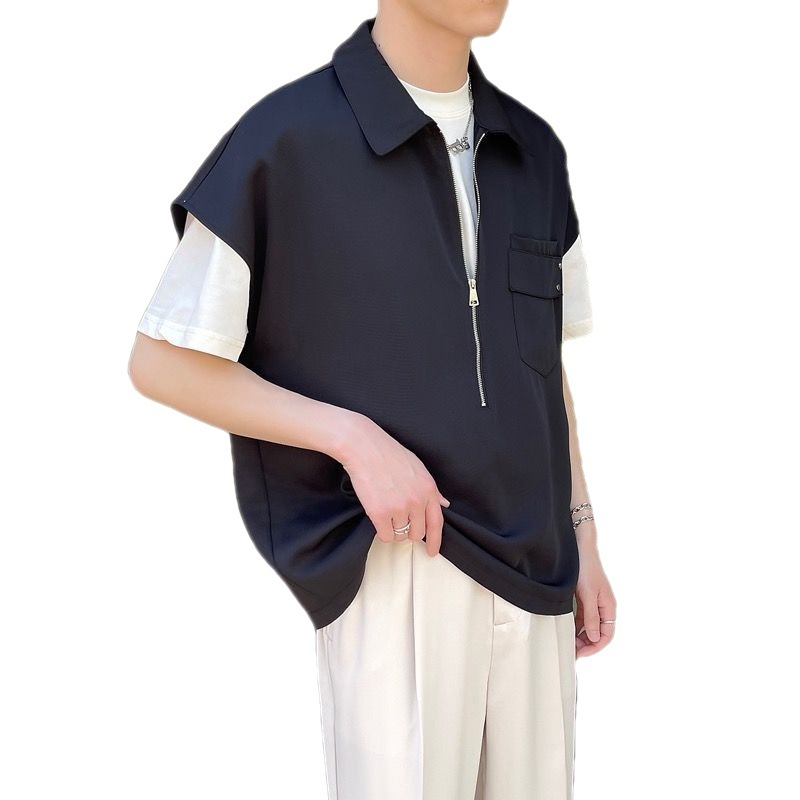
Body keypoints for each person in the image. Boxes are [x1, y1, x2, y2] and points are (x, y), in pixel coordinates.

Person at [128, 3, 616, 798]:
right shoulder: (287, 141)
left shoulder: (532, 151)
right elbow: (162, 361)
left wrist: (583, 536)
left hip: (539, 573)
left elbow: (541, 367)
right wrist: (351, 439)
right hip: (400, 563)